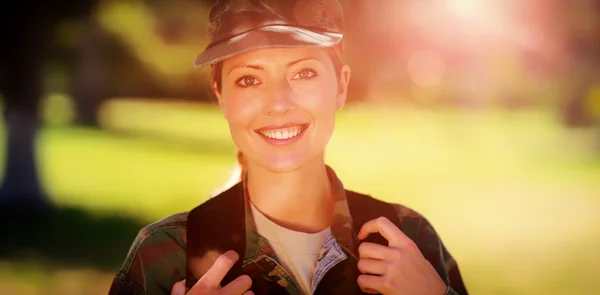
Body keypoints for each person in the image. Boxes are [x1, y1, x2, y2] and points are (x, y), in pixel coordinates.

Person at [108, 0, 469, 294]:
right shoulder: (167, 255)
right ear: (221, 96)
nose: (278, 103)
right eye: (249, 79)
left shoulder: (408, 240)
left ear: (341, 87)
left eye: (303, 73)